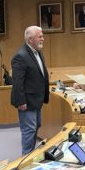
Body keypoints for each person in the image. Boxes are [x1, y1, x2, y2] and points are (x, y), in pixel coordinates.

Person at [11, 26, 49, 155]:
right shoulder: (20, 56)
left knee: (36, 126)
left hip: (36, 99)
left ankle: (31, 155)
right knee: (29, 130)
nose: (43, 39)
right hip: (26, 101)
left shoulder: (38, 52)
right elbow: (17, 82)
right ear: (30, 39)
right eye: (40, 36)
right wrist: (21, 101)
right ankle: (25, 158)